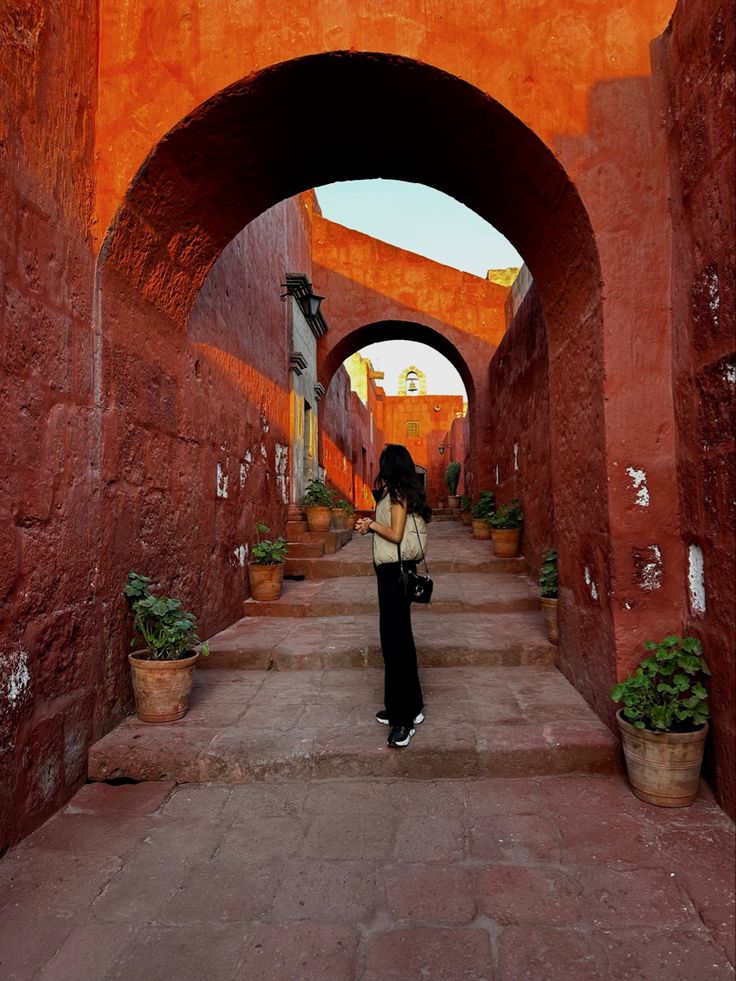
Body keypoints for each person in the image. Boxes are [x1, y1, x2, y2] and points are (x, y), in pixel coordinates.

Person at [356, 444, 431, 748]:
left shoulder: (397, 494)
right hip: (391, 574)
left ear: (391, 465)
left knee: (395, 642)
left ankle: (404, 722)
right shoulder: (395, 491)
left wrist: (371, 524)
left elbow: (397, 534)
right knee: (398, 640)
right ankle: (407, 706)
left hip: (395, 575)